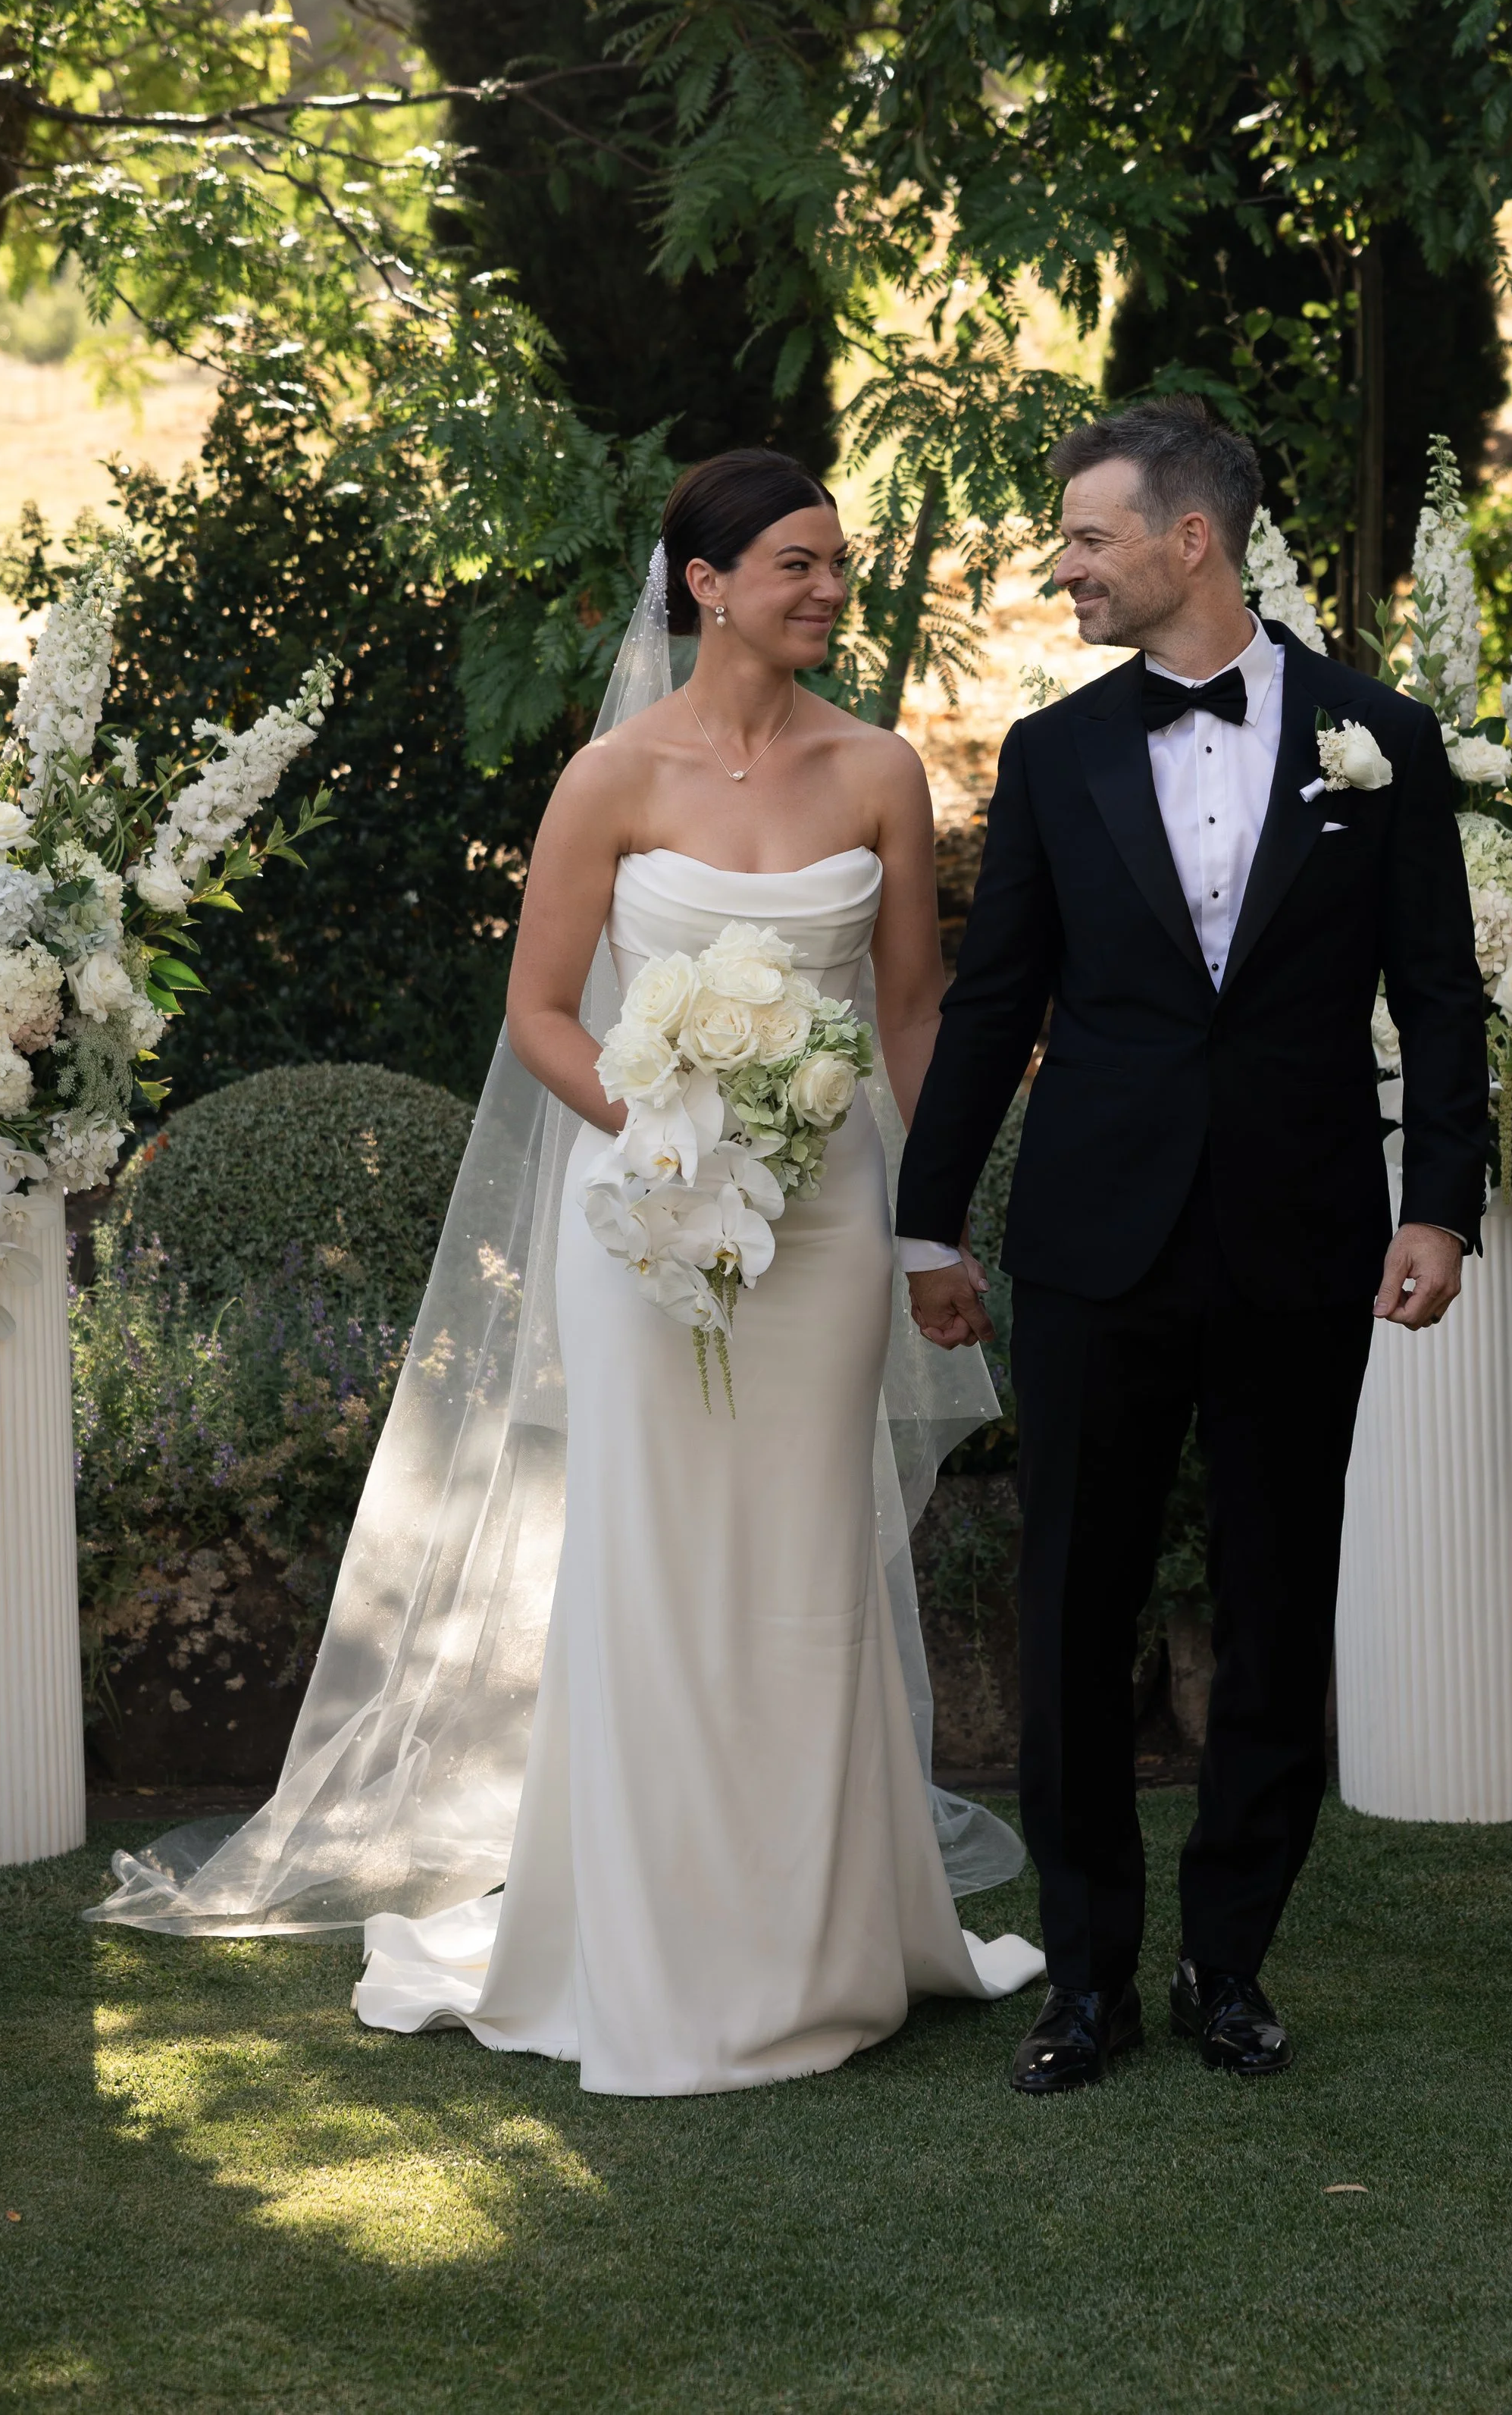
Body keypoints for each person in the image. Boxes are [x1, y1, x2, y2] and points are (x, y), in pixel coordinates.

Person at [341, 449, 1044, 2093]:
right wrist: (659, 1139)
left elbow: (913, 1011)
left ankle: (821, 1944)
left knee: (805, 1567)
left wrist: (932, 1226)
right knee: (654, 1561)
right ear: (704, 582)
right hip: (645, 1219)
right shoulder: (611, 779)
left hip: (822, 1227)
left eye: (835, 564)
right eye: (793, 565)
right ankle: (655, 1947)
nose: (824, 590)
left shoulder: (878, 769)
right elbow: (539, 1016)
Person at [896, 397, 1489, 2097]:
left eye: (1085, 537)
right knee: (1070, 1604)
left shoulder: (1381, 738)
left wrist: (1437, 1203)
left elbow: (1435, 998)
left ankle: (1229, 1965)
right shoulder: (1051, 756)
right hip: (1094, 1239)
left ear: (1188, 542)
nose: (1060, 566)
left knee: (1276, 1601)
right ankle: (1081, 1984)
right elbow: (992, 998)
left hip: (1305, 1239)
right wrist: (927, 1227)